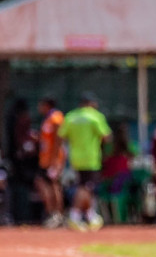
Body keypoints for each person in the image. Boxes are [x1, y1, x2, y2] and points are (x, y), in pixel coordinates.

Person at [59, 93, 111, 230]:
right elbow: (106, 137)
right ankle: (74, 215)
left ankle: (90, 215)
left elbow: (62, 136)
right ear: (91, 103)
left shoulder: (70, 117)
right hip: (91, 158)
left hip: (75, 158)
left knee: (87, 188)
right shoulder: (95, 116)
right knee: (86, 187)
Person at [33, 98, 66, 227]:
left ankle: (57, 214)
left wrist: (55, 160)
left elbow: (59, 139)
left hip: (53, 159)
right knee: (44, 183)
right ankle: (52, 213)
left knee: (54, 185)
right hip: (45, 159)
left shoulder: (56, 118)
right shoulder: (47, 119)